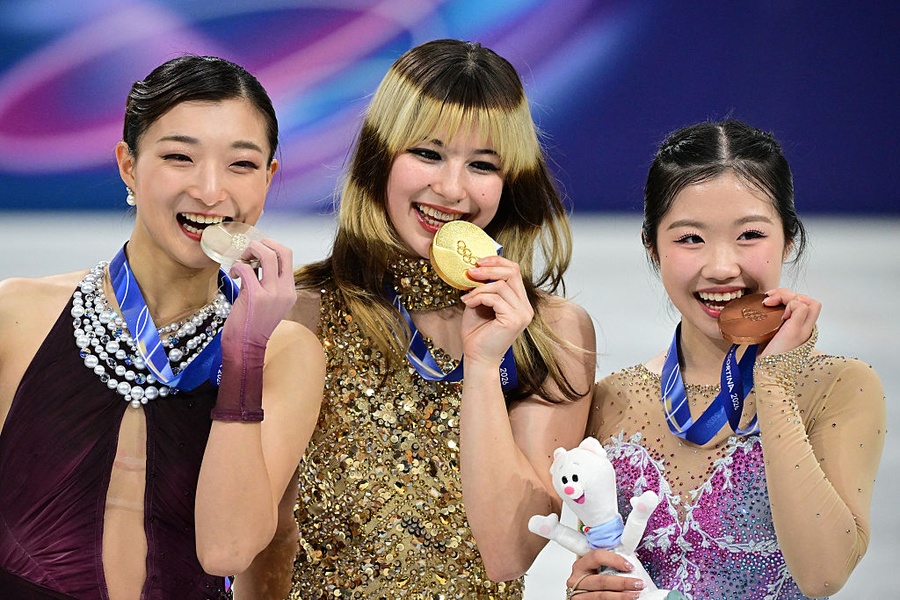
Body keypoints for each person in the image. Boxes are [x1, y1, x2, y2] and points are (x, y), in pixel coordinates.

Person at [236, 39, 597, 598]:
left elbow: (507, 552)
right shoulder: (298, 311)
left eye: (482, 165)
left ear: (512, 181)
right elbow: (262, 544)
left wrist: (483, 364)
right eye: (427, 154)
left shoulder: (551, 333)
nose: (451, 189)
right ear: (380, 158)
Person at [0, 55, 324, 599]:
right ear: (129, 165)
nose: (210, 190)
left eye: (241, 165)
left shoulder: (284, 353)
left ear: (269, 178)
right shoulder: (17, 315)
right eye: (179, 157)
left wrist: (244, 354)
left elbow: (227, 550)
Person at [565, 120, 886, 600]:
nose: (720, 267)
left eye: (750, 234)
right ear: (651, 247)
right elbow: (608, 564)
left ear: (789, 240)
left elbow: (823, 576)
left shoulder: (840, 387)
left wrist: (773, 382)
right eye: (690, 238)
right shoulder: (612, 398)